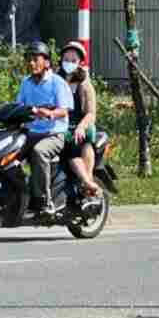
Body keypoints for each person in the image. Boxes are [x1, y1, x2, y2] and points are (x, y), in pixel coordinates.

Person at [10, 42, 72, 215]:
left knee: (39, 152)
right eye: (28, 60)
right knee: (7, 155)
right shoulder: (25, 83)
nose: (31, 63)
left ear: (46, 62)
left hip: (54, 133)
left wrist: (50, 113)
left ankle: (44, 201)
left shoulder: (57, 83)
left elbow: (64, 110)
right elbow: (19, 106)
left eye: (35, 59)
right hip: (30, 132)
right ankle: (18, 196)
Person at [59, 41, 101, 200]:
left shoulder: (84, 83)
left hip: (78, 124)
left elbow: (91, 113)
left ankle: (87, 180)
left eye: (73, 60)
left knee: (77, 144)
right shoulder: (56, 79)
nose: (68, 63)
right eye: (66, 59)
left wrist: (81, 127)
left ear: (79, 62)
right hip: (59, 123)